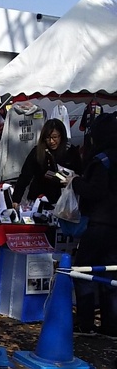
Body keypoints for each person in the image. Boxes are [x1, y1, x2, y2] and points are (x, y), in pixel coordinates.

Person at [70, 112, 117, 336]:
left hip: (99, 223)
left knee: (83, 271)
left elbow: (95, 192)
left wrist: (76, 182)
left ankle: (86, 322)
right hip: (115, 227)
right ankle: (111, 325)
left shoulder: (101, 161)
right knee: (111, 275)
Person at [12, 118, 82, 206]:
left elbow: (80, 174)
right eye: (48, 138)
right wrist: (16, 200)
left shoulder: (71, 151)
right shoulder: (37, 151)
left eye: (55, 137)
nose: (51, 141)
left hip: (63, 201)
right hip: (38, 199)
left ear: (61, 136)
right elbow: (25, 176)